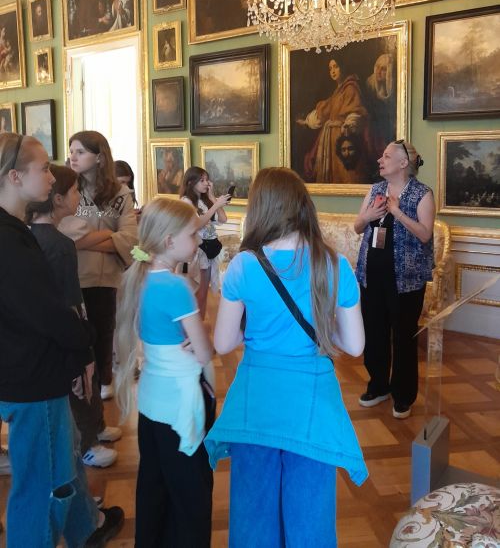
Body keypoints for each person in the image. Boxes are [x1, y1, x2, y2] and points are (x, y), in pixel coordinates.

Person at [204, 167, 367, 547]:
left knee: (253, 518)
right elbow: (355, 345)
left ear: (260, 208)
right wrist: (322, 328)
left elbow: (224, 343)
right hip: (312, 403)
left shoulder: (244, 264)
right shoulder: (334, 264)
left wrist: (254, 330)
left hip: (257, 400)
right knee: (310, 521)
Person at [0, 132, 124, 546]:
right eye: (43, 169)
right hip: (32, 379)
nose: (54, 177)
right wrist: (84, 344)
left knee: (61, 464)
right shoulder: (10, 239)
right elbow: (47, 312)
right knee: (42, 485)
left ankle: (86, 529)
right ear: (15, 177)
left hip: (30, 370)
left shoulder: (16, 231)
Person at [115, 197, 214, 547]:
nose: (198, 240)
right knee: (190, 495)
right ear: (170, 240)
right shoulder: (176, 286)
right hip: (179, 402)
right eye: (193, 234)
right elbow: (204, 352)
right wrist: (204, 337)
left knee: (154, 484)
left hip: (151, 399)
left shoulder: (138, 277)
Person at [27, 164, 123, 468]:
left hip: (59, 326)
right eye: (74, 192)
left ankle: (95, 428)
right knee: (81, 382)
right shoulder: (58, 244)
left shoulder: (36, 237)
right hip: (67, 328)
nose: (79, 197)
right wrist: (81, 341)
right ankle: (87, 444)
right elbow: (69, 299)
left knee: (86, 382)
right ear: (58, 199)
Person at [354, 140, 435, 419]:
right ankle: (378, 386)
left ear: (403, 163)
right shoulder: (375, 190)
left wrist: (397, 212)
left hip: (406, 280)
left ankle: (403, 395)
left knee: (403, 337)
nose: (380, 160)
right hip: (371, 275)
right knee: (374, 332)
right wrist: (368, 215)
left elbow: (425, 234)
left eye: (387, 156)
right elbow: (357, 227)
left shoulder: (422, 194)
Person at [60, 131, 137, 402]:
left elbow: (130, 238)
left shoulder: (120, 193)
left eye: (80, 151)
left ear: (99, 157)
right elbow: (65, 234)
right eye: (71, 150)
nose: (73, 156)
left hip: (106, 280)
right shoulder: (66, 187)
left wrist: (87, 241)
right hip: (73, 277)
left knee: (103, 336)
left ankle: (103, 387)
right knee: (76, 339)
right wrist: (109, 236)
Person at [297, 57, 369, 184]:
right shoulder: (338, 91)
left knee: (346, 175)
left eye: (336, 67)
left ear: (343, 67)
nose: (333, 71)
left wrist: (348, 124)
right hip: (331, 140)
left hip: (343, 138)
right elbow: (325, 110)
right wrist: (307, 121)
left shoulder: (350, 88)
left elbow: (356, 111)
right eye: (330, 68)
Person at [180, 167, 231, 320]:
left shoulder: (204, 201)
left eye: (207, 180)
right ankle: (195, 325)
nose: (206, 183)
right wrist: (216, 205)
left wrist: (213, 197)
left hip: (210, 248)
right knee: (198, 292)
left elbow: (223, 219)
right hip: (198, 249)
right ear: (191, 182)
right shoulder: (186, 201)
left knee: (204, 293)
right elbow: (197, 224)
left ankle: (200, 323)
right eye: (201, 180)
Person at [365, 53, 396, 162]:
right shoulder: (370, 84)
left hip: (388, 124)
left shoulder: (394, 85)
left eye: (383, 69)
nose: (378, 71)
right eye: (377, 67)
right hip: (375, 126)